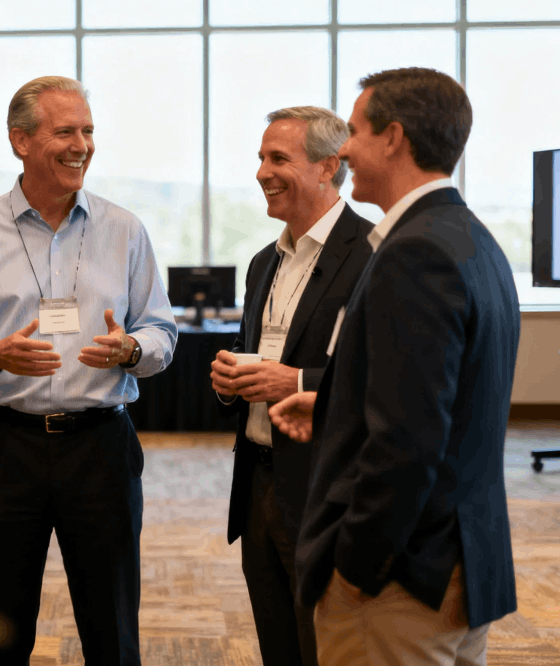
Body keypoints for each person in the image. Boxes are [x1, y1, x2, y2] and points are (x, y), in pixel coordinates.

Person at [0, 75, 178, 665]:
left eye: (88, 131)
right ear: (21, 141)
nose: (81, 144)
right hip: (7, 446)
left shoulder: (125, 229)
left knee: (112, 629)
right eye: (66, 131)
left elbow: (162, 332)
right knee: (0, 631)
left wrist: (131, 349)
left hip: (102, 447)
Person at [270, 67, 521, 666]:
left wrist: (355, 567)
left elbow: (408, 442)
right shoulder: (470, 237)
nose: (346, 147)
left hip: (401, 580)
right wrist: (334, 406)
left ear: (394, 137)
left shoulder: (415, 253)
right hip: (463, 561)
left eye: (355, 130)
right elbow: (446, 396)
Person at [209, 106, 373, 666]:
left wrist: (297, 381)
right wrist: (230, 382)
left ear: (329, 167)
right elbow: (256, 355)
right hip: (256, 484)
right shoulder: (263, 263)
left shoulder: (374, 253)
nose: (262, 172)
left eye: (279, 158)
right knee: (277, 644)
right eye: (260, 158)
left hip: (327, 489)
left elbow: (386, 380)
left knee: (325, 647)